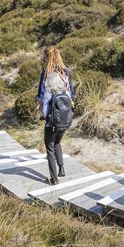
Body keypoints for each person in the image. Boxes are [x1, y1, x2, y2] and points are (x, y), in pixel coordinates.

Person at [36, 46, 74, 186]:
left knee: (50, 148)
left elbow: (43, 92)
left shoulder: (47, 72)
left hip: (51, 120)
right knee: (57, 143)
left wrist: (40, 107)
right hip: (65, 117)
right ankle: (61, 169)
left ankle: (54, 179)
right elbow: (71, 90)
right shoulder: (66, 71)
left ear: (47, 57)